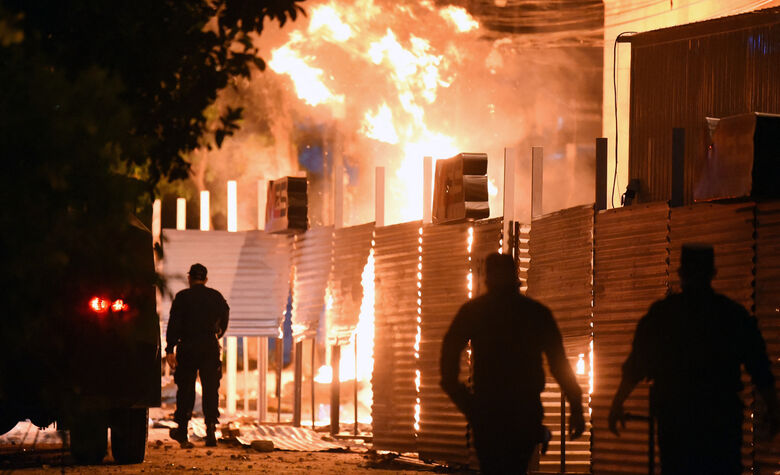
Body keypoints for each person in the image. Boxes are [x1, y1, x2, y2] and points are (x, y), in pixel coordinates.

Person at [609, 244, 779, 474]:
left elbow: (636, 366)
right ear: (713, 274)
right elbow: (760, 368)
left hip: (677, 423)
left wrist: (617, 403)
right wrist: (773, 407)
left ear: (681, 275)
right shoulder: (731, 315)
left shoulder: (662, 315)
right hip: (720, 423)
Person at [440, 253, 585, 474]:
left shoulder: (474, 312)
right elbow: (559, 364)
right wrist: (575, 406)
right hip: (524, 412)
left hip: (487, 411)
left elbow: (449, 355)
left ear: (487, 279)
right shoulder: (536, 313)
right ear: (515, 277)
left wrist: (465, 402)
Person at [166, 263, 230, 448]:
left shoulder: (182, 297)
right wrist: (218, 333)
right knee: (211, 388)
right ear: (206, 279)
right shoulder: (216, 296)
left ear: (189, 279)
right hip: (209, 346)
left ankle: (183, 432)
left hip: (188, 346)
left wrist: (170, 349)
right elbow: (225, 314)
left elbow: (174, 324)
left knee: (185, 388)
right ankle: (211, 430)